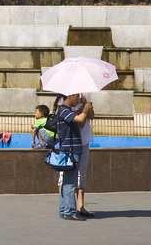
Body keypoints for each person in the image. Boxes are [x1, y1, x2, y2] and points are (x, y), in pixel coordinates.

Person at [55, 92, 92, 221]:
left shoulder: (66, 110)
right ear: (69, 96)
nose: (78, 99)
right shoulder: (64, 110)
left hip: (70, 150)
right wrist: (86, 107)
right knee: (70, 182)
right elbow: (80, 120)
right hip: (70, 151)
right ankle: (70, 212)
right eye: (76, 96)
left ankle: (64, 210)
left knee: (67, 181)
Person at [70, 93, 95, 216]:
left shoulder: (86, 95)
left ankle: (81, 206)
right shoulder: (65, 97)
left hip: (84, 140)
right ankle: (68, 206)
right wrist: (83, 109)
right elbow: (80, 122)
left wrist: (87, 105)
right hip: (70, 141)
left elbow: (91, 117)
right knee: (66, 174)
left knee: (81, 174)